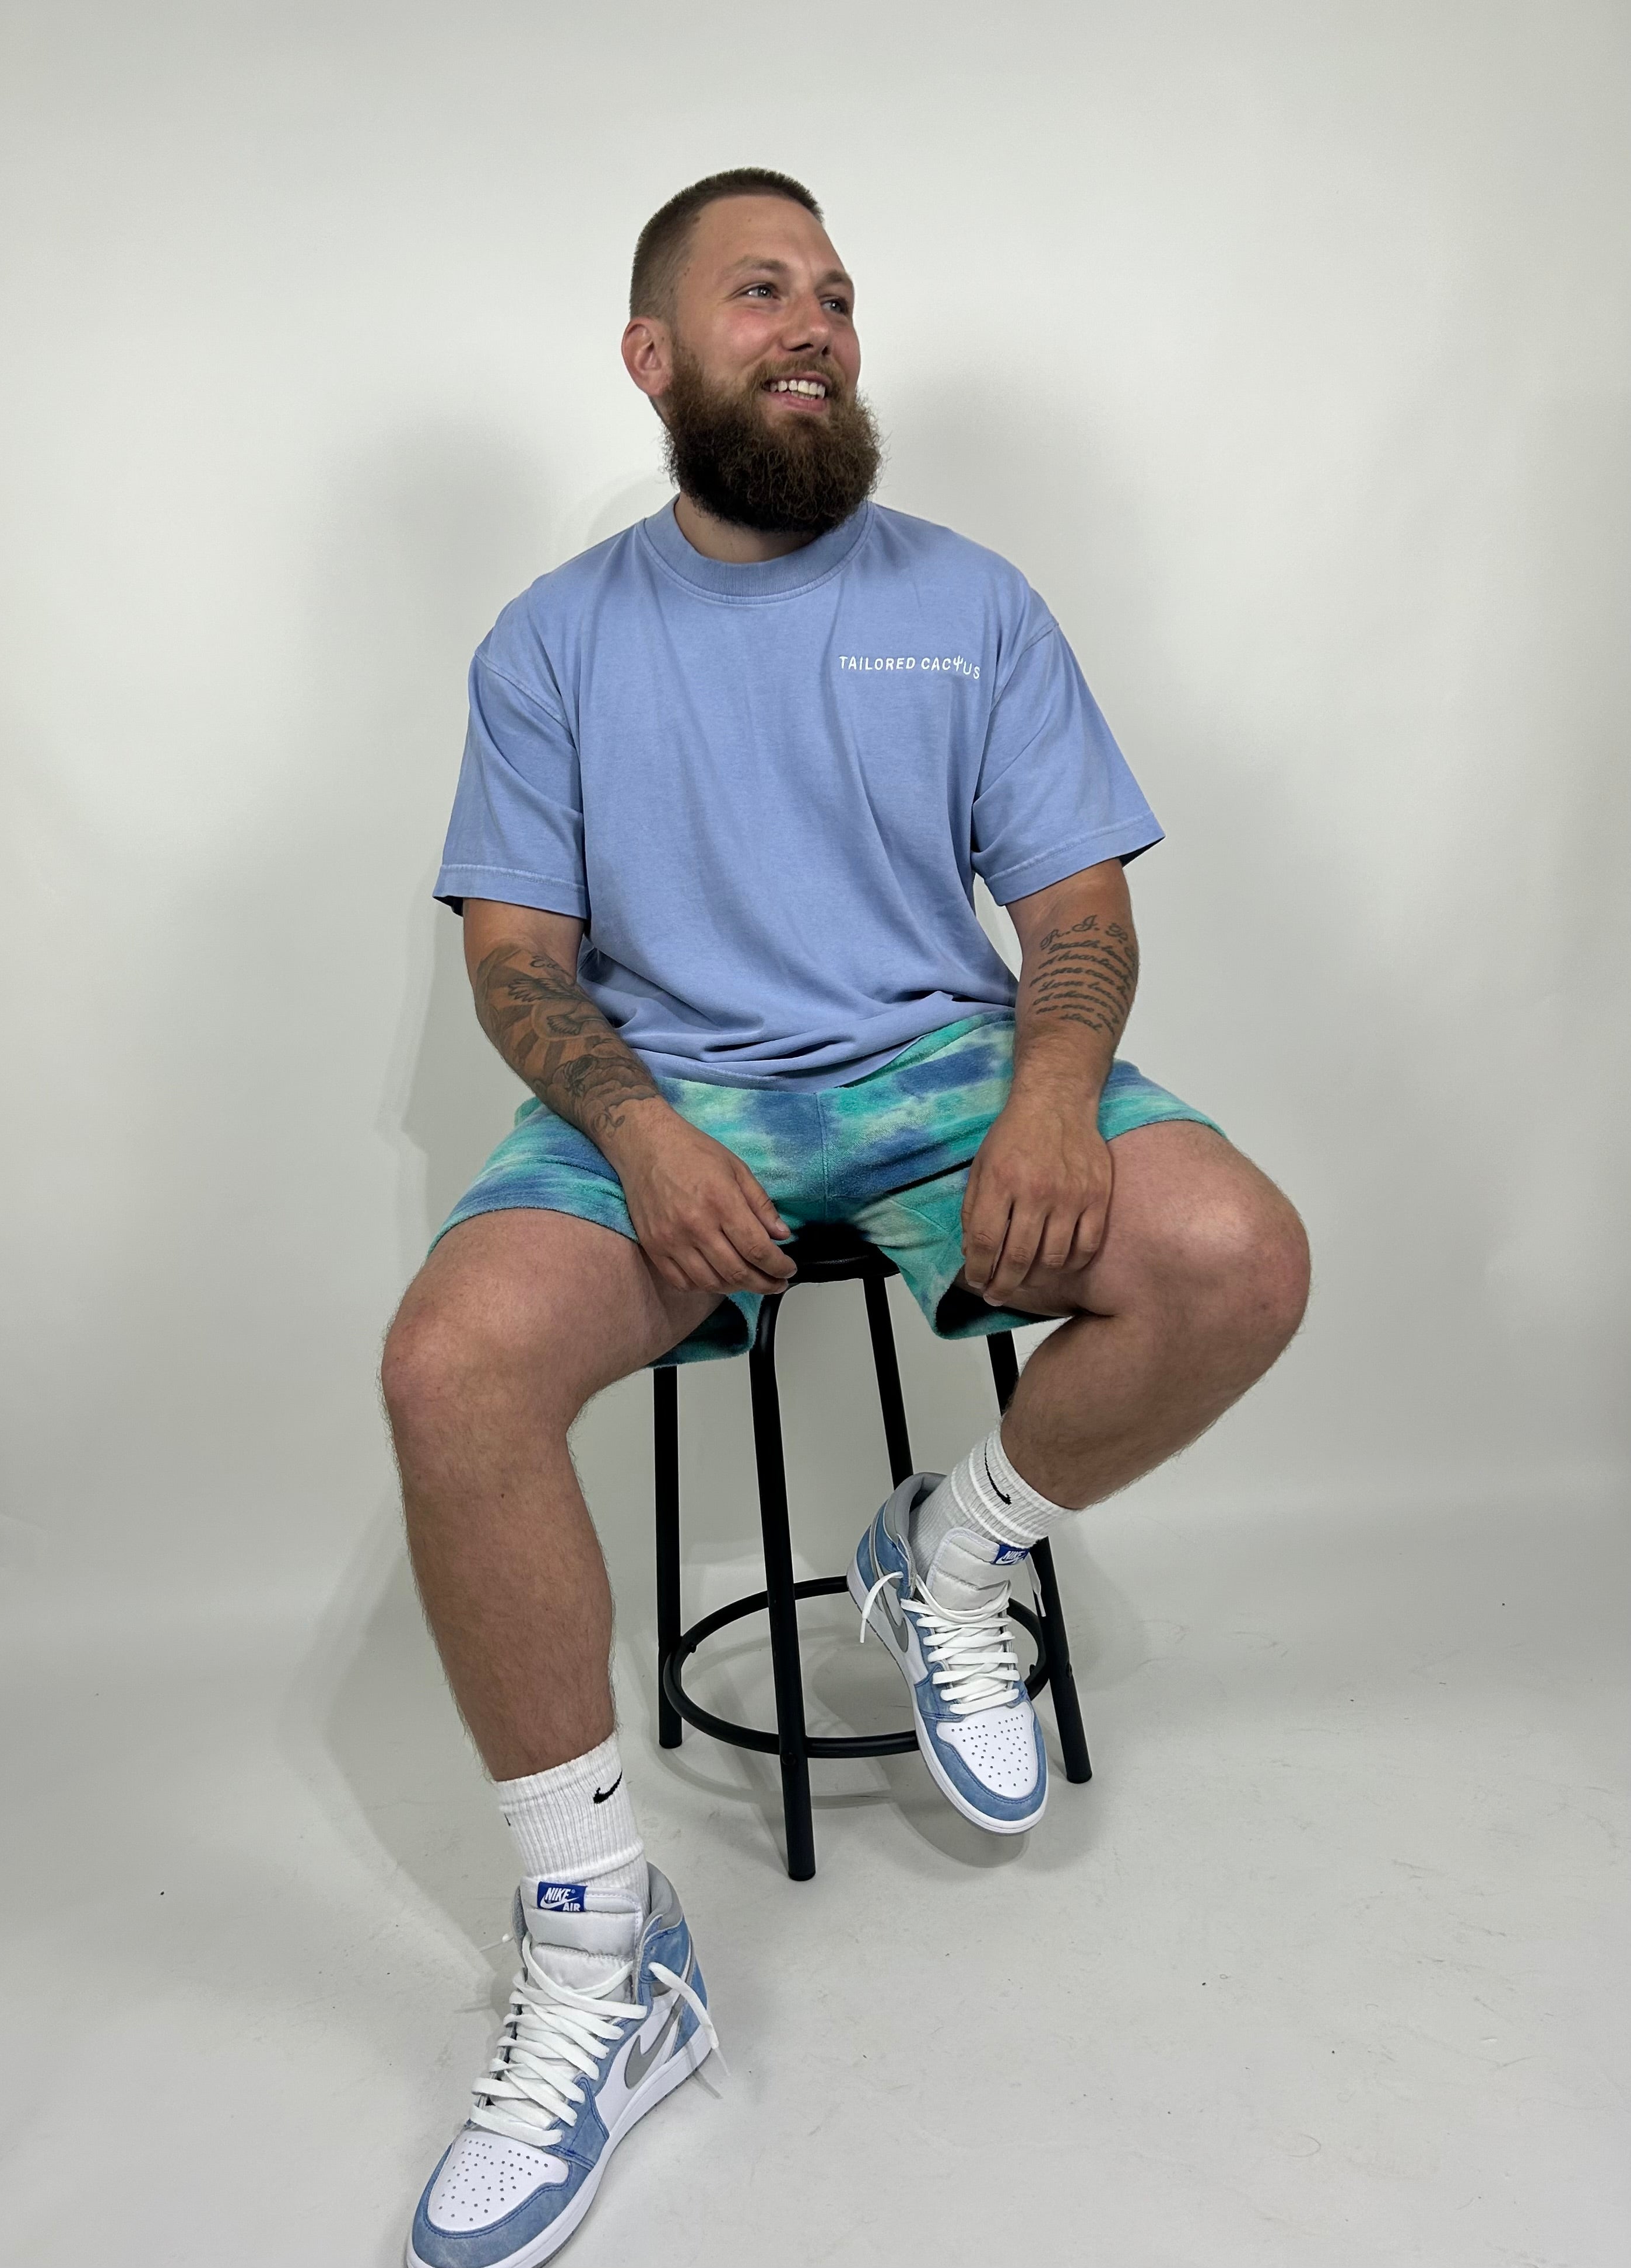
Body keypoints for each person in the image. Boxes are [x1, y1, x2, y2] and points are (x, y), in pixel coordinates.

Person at [383, 167, 1311, 2268]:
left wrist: (1050, 1093)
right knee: (448, 1368)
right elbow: (518, 957)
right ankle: (604, 1951)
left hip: (934, 1074)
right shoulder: (553, 640)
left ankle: (950, 1549)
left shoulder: (970, 602)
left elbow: (1076, 907)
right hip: (667, 1094)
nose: (812, 322)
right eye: (759, 292)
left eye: (834, 293)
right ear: (654, 358)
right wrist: (636, 1129)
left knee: (1241, 1257)